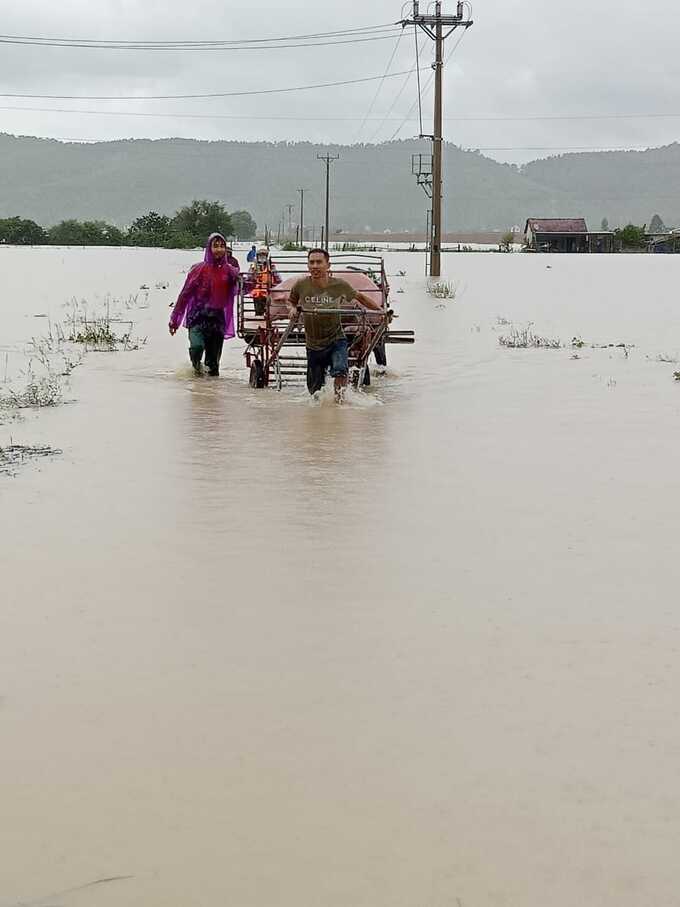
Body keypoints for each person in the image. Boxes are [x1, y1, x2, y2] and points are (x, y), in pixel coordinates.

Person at [288, 248, 385, 399]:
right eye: (311, 262)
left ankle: (339, 402)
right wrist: (292, 309)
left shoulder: (339, 285)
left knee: (340, 371)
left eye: (319, 262)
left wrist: (380, 311)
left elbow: (360, 297)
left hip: (336, 339)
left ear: (328, 265)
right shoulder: (301, 285)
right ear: (308, 265)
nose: (315, 266)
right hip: (313, 344)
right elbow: (291, 301)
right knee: (314, 391)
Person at [168, 232, 239, 376]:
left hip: (217, 320)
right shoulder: (199, 270)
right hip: (197, 317)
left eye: (222, 246)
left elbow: (242, 286)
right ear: (209, 248)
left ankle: (209, 389)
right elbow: (185, 295)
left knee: (213, 366)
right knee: (197, 347)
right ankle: (196, 371)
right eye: (215, 246)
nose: (219, 249)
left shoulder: (230, 271)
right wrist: (174, 320)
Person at [245, 247, 282, 315]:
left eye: (264, 255)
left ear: (266, 257)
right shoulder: (253, 267)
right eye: (260, 255)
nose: (262, 257)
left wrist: (277, 286)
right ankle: (258, 316)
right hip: (257, 293)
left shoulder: (271, 266)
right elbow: (248, 277)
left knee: (268, 311)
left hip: (268, 292)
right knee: (258, 311)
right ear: (257, 256)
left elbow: (278, 278)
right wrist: (253, 275)